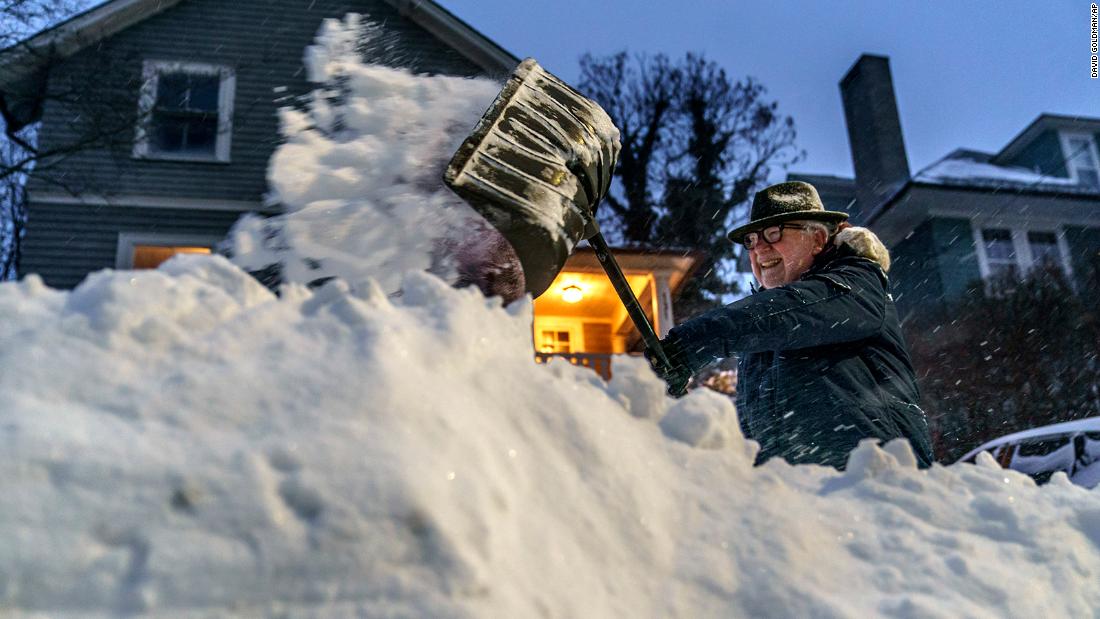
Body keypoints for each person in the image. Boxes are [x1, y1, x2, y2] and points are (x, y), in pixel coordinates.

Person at [648, 181, 934, 469]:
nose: (759, 248)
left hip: (877, 489)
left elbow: (792, 310)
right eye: (751, 240)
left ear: (818, 239)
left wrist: (691, 344)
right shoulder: (762, 333)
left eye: (774, 233)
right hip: (804, 501)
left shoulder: (855, 284)